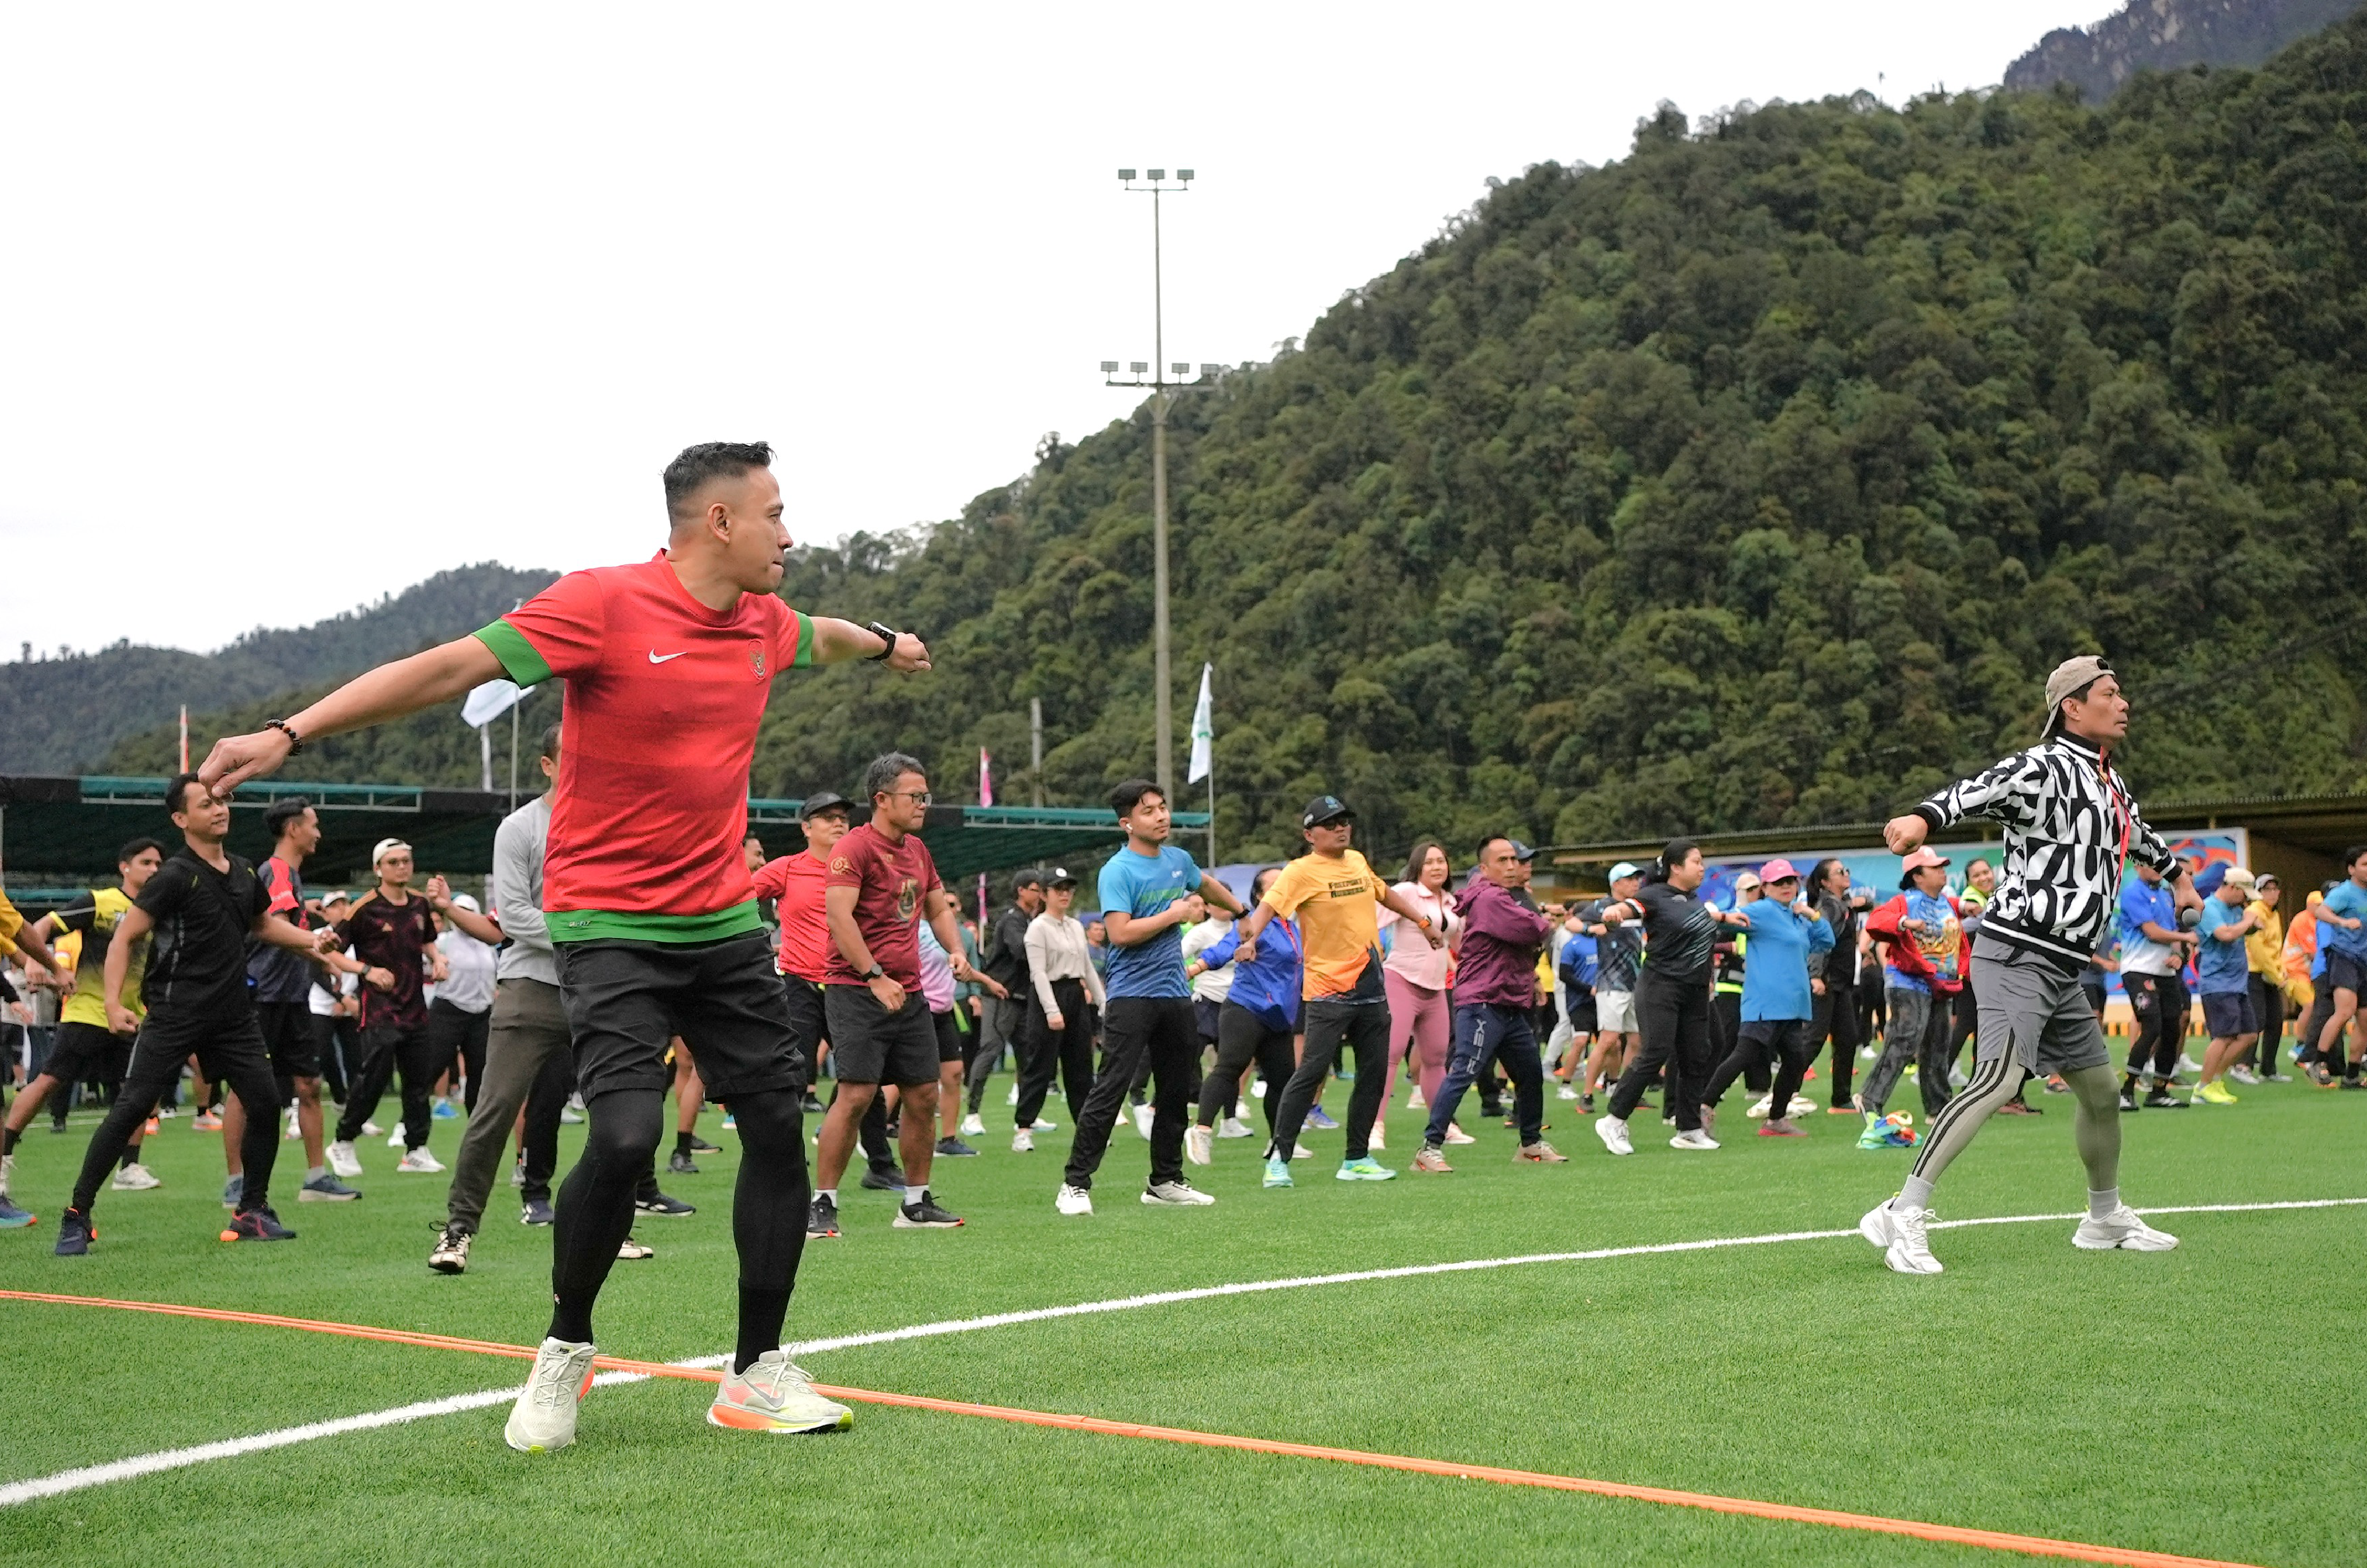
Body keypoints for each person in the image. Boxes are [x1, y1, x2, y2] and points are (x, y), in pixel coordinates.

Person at [198, 442, 930, 1446]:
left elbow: (832, 637)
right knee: (625, 1138)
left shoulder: (766, 623)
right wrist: (286, 733)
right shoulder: (602, 604)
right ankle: (563, 1350)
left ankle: (754, 1371)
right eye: (774, 514)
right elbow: (449, 665)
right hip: (610, 927)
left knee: (772, 1129)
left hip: (719, 925)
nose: (789, 534)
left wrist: (889, 642)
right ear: (718, 521)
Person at [1860, 656, 2195, 1274]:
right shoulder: (2041, 766)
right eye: (2111, 694)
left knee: (2099, 1093)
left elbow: (2140, 836)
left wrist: (2181, 879)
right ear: (2073, 705)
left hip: (2062, 966)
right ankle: (1900, 1211)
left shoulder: (2110, 783)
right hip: (2017, 950)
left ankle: (2103, 1217)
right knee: (1998, 1081)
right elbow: (1976, 790)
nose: (2124, 704)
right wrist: (1921, 818)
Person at [53, 775, 327, 1253]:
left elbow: (264, 925)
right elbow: (124, 938)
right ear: (182, 819)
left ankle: (252, 1212)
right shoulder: (173, 877)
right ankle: (77, 1214)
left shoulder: (243, 872)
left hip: (234, 1017)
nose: (219, 809)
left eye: (222, 800)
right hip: (175, 1013)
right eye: (206, 804)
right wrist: (115, 1004)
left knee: (265, 1102)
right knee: (133, 1106)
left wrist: (313, 941)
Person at [814, 752, 989, 1231]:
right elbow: (839, 918)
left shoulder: (918, 850)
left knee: (923, 1095)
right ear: (882, 799)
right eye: (915, 796)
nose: (923, 804)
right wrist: (874, 976)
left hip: (909, 993)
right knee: (855, 1095)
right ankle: (822, 1202)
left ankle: (916, 1203)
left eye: (925, 795)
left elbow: (938, 909)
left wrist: (956, 952)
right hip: (856, 988)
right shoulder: (853, 848)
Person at [1234, 794, 1442, 1187]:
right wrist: (1250, 941)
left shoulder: (1358, 861)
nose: (1341, 828)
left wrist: (1423, 919)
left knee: (1375, 1073)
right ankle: (1279, 1159)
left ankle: (1357, 1159)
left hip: (1371, 984)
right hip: (1328, 990)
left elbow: (1384, 892)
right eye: (1331, 824)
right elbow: (1270, 907)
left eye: (1345, 820)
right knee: (1310, 1072)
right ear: (1310, 834)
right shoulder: (1299, 871)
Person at [1055, 780, 1243, 1216]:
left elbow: (1208, 884)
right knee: (1111, 1089)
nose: (1161, 816)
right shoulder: (1117, 871)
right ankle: (1075, 1184)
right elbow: (1120, 934)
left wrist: (1243, 912)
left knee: (1177, 1090)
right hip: (1131, 997)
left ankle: (1165, 1181)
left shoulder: (1179, 860)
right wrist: (1175, 913)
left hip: (1177, 994)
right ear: (1127, 823)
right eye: (1149, 811)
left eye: (1163, 808)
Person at [1, 839, 165, 1223]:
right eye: (146, 862)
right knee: (48, 1082)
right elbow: (41, 926)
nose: (155, 869)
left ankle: (129, 1168)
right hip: (88, 1012)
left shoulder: (158, 913)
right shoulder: (100, 901)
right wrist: (35, 964)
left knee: (141, 1093)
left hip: (130, 1016)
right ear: (124, 867)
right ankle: (5, 1154)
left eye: (160, 863)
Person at [217, 799, 364, 1206]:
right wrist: (322, 947)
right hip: (263, 996)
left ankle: (316, 1178)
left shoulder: (292, 876)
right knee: (244, 1089)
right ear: (293, 829)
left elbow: (295, 936)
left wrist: (323, 959)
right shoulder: (277, 871)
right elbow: (276, 927)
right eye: (314, 825)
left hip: (293, 997)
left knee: (309, 1085)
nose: (319, 833)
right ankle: (235, 1181)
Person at [1412, 836, 1564, 1172]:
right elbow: (1532, 929)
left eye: (1515, 860)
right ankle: (1429, 1148)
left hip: (1508, 1002)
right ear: (1484, 868)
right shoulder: (1492, 898)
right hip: (1483, 1001)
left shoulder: (1502, 896)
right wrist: (1540, 920)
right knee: (1464, 1069)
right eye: (1503, 861)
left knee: (1530, 1073)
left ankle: (1531, 1144)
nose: (1512, 867)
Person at [1593, 840, 1737, 1155]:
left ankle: (1688, 1128)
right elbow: (1631, 908)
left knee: (1697, 1054)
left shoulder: (1694, 900)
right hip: (1661, 986)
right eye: (1696, 862)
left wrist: (1727, 919)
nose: (1702, 868)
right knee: (1655, 1051)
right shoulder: (1653, 895)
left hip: (1695, 990)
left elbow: (1698, 921)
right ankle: (1614, 1119)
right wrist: (1615, 911)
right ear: (1676, 867)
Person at [324, 839, 451, 1174]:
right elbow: (331, 951)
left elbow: (428, 942)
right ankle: (343, 1141)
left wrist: (437, 961)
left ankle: (416, 1149)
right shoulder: (364, 908)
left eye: (406, 861)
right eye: (393, 862)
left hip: (415, 1006)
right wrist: (366, 970)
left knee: (418, 1082)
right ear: (378, 868)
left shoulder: (421, 904)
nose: (401, 867)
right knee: (374, 1079)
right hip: (379, 1007)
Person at [1699, 859, 1832, 1138]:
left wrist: (1811, 914)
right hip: (1766, 1002)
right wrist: (1721, 917)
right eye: (1779, 883)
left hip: (1794, 1005)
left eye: (1790, 881)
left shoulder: (1797, 917)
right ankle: (1702, 1107)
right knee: (1743, 1055)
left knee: (1795, 1061)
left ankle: (1776, 1120)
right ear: (1765, 888)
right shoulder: (1760, 911)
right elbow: (1723, 919)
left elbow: (1827, 942)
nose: (1786, 887)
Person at [1185, 867, 1300, 1165]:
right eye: (1275, 886)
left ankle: (1280, 1141)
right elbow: (1224, 949)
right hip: (1245, 1008)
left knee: (1282, 1081)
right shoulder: (1255, 924)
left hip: (1279, 1016)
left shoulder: (1293, 927)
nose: (1283, 890)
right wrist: (1193, 970)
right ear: (1260, 896)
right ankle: (1201, 1131)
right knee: (1230, 1067)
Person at [1858, 847, 1966, 1144]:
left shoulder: (1946, 902)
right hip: (1907, 981)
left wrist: (1969, 908)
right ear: (1917, 876)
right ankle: (1869, 1099)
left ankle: (1939, 1109)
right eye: (1936, 867)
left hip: (1940, 983)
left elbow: (1959, 911)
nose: (1943, 871)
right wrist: (1904, 923)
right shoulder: (1904, 901)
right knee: (1905, 1041)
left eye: (1943, 866)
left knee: (1938, 1046)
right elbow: (1876, 922)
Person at [1019, 867, 1105, 1155]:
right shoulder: (1038, 928)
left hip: (1075, 995)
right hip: (1048, 995)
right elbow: (1039, 973)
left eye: (1068, 888)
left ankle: (1086, 1129)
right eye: (1058, 889)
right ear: (1044, 895)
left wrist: (1103, 1001)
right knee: (1040, 1066)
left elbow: (1087, 967)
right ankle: (1024, 1128)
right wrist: (1052, 1011)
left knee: (1081, 1066)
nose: (1065, 894)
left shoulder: (1075, 926)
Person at [1377, 840, 1459, 1134]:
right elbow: (1373, 922)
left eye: (1441, 861)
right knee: (1391, 1055)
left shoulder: (1450, 901)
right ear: (1417, 867)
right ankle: (1374, 1126)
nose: (1437, 867)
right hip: (1401, 979)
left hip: (1435, 989)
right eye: (1429, 862)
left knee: (1436, 1058)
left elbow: (1454, 944)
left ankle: (1442, 1127)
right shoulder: (1406, 892)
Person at [963, 868, 1043, 1134]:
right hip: (1001, 995)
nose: (1041, 893)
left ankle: (1027, 1115)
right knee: (990, 1050)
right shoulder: (1013, 921)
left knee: (1028, 1056)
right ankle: (972, 1115)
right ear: (1021, 891)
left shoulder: (1034, 920)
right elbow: (1021, 952)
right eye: (1035, 888)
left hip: (1023, 998)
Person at [2116, 858, 2198, 1111]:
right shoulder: (2133, 893)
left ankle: (2159, 1091)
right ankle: (2127, 1091)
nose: (2154, 870)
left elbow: (2171, 937)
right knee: (2152, 1025)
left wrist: (2180, 955)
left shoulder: (2165, 895)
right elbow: (2152, 932)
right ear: (2138, 867)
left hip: (2165, 972)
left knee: (2173, 1029)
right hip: (2138, 970)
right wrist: (2185, 937)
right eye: (2148, 865)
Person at [2188, 866, 2261, 1104]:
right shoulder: (2209, 908)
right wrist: (2249, 920)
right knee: (2224, 1036)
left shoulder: (2235, 909)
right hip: (2218, 982)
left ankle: (2215, 1079)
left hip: (2237, 982)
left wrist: (2250, 927)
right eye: (2244, 894)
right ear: (2232, 888)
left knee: (2249, 1035)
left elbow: (2237, 933)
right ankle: (2203, 1086)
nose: (2246, 901)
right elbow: (2225, 935)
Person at [1801, 858, 1868, 1115]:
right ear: (1826, 882)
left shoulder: (1840, 904)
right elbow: (1820, 941)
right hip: (1827, 983)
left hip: (1841, 985)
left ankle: (1841, 1100)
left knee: (1848, 1039)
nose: (1846, 874)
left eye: (1846, 870)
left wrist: (1854, 904)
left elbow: (1863, 904)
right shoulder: (1828, 906)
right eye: (1840, 872)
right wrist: (1816, 976)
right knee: (1813, 1040)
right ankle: (1784, 1094)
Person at [1577, 862, 1644, 1114]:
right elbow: (1572, 923)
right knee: (1608, 1040)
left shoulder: (1637, 909)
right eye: (1630, 879)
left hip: (1635, 983)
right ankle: (1586, 1095)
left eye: (1637, 879)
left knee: (1636, 1041)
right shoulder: (1602, 906)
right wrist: (1591, 928)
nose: (1636, 883)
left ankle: (1625, 1092)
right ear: (1616, 883)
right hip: (1611, 983)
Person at [2307, 846, 2367, 1090]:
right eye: (2365, 864)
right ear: (2352, 869)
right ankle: (2317, 1063)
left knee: (2365, 1020)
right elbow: (2321, 911)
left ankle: (2352, 1076)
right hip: (2344, 958)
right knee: (2345, 1010)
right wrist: (2343, 922)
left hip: (2364, 961)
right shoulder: (2345, 892)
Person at [2239, 874, 2287, 1083]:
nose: (2273, 893)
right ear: (2259, 892)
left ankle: (2269, 1069)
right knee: (2256, 1020)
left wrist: (2281, 970)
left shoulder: (2274, 914)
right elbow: (2258, 950)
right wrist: (2277, 976)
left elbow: (2276, 947)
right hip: (2254, 972)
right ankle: (2243, 1066)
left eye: (2275, 889)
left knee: (2276, 1020)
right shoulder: (2255, 912)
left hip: (2271, 973)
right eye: (2267, 889)